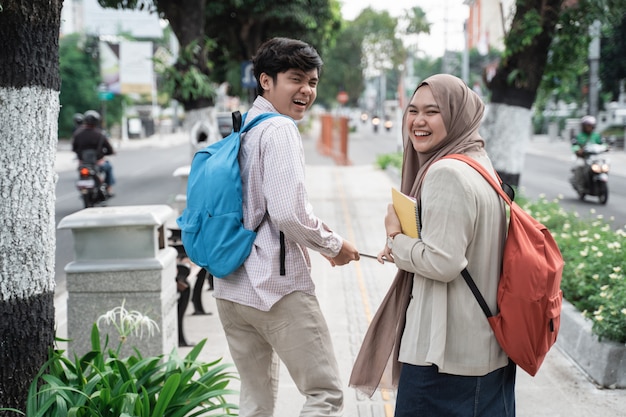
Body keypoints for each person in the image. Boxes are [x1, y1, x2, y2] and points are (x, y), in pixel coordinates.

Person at [350, 74, 516, 416]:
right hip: (484, 353)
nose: (418, 121)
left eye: (432, 111)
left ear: (457, 115)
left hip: (443, 358)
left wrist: (396, 239)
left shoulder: (446, 173)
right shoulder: (480, 165)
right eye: (412, 111)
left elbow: (444, 262)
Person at [212, 37, 360, 417]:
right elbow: (289, 214)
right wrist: (333, 245)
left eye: (312, 82)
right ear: (266, 81)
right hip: (274, 289)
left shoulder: (244, 126)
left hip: (231, 286)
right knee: (324, 394)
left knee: (255, 400)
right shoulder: (278, 130)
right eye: (296, 79)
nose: (307, 91)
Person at [71, 110, 116, 195]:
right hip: (98, 163)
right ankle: (109, 187)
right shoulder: (100, 134)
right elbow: (109, 150)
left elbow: (74, 148)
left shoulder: (78, 134)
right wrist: (105, 154)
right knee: (109, 167)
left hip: (83, 163)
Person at [570, 115, 603, 191]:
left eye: (591, 126)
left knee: (604, 164)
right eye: (587, 126)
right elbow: (574, 145)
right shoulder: (579, 136)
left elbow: (602, 143)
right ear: (583, 126)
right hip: (583, 157)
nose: (589, 127)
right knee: (579, 165)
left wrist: (607, 147)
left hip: (594, 157)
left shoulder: (596, 135)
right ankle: (580, 184)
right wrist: (578, 150)